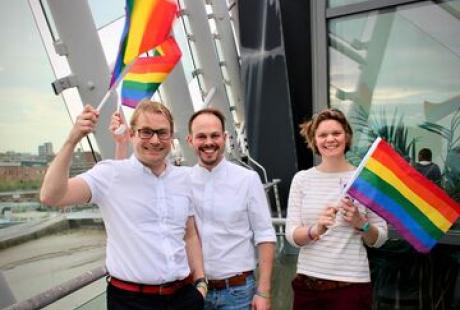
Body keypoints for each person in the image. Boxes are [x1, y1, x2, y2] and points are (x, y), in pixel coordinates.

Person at [40, 100, 206, 310]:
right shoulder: (110, 174)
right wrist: (72, 140)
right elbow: (51, 196)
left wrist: (201, 284)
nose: (155, 140)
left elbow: (190, 235)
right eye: (146, 132)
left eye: (162, 133)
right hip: (131, 302)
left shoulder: (184, 178)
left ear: (171, 138)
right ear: (132, 134)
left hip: (184, 297)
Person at [111, 107, 277, 310]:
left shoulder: (248, 179)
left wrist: (263, 291)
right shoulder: (179, 179)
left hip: (238, 292)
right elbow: (126, 186)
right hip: (190, 294)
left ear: (224, 138)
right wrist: (121, 144)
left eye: (215, 135)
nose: (209, 142)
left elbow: (265, 235)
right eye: (201, 136)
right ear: (190, 141)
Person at [285, 108, 388, 310]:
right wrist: (315, 230)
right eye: (323, 135)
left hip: (351, 288)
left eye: (336, 133)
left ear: (347, 137)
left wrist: (362, 224)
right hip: (307, 286)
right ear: (314, 140)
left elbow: (380, 238)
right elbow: (291, 235)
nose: (330, 139)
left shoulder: (365, 181)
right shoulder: (301, 180)